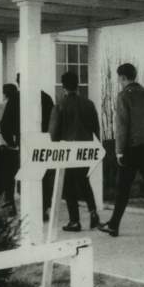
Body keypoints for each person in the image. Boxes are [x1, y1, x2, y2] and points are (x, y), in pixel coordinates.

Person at [100, 63, 144, 240]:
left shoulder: (124, 96)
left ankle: (114, 225)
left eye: (119, 78)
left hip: (131, 148)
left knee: (122, 188)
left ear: (123, 77)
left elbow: (122, 125)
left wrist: (119, 151)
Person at [49, 71, 101, 232]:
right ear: (77, 84)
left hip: (68, 149)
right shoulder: (88, 103)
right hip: (85, 148)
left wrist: (55, 143)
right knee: (84, 182)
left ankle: (74, 221)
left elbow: (53, 132)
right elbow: (96, 128)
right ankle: (93, 213)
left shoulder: (60, 105)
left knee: (69, 186)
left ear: (63, 86)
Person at [16, 71, 56, 217]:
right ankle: (44, 207)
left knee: (26, 175)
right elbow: (53, 121)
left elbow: (7, 122)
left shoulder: (18, 98)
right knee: (43, 176)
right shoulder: (45, 97)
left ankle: (29, 209)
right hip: (43, 142)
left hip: (25, 142)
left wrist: (11, 140)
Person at [0, 83, 20, 215]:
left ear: (5, 93)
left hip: (13, 146)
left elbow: (5, 125)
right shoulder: (23, 99)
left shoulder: (10, 103)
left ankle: (10, 205)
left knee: (9, 176)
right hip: (26, 143)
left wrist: (11, 143)